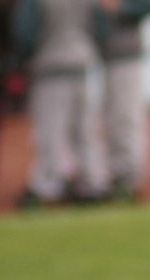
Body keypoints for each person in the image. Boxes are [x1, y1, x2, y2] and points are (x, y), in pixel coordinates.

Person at [12, 0, 109, 208]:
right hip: (83, 62)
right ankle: (93, 182)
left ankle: (49, 184)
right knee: (85, 130)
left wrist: (22, 60)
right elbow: (102, 28)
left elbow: (25, 33)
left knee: (51, 131)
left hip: (50, 65)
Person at [98, 0, 150, 202]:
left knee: (126, 118)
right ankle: (114, 174)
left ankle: (129, 179)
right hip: (102, 57)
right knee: (112, 119)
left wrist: (121, 8)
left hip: (127, 56)